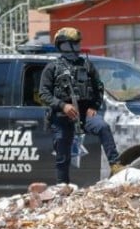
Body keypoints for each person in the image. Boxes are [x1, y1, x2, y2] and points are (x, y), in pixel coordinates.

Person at [38, 27, 121, 184]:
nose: (76, 46)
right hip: (62, 116)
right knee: (62, 153)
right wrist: (63, 106)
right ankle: (63, 187)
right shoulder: (52, 67)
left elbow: (99, 88)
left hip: (83, 114)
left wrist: (94, 106)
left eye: (77, 43)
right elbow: (44, 94)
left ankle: (115, 164)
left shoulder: (87, 65)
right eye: (73, 43)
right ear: (63, 45)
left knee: (102, 126)